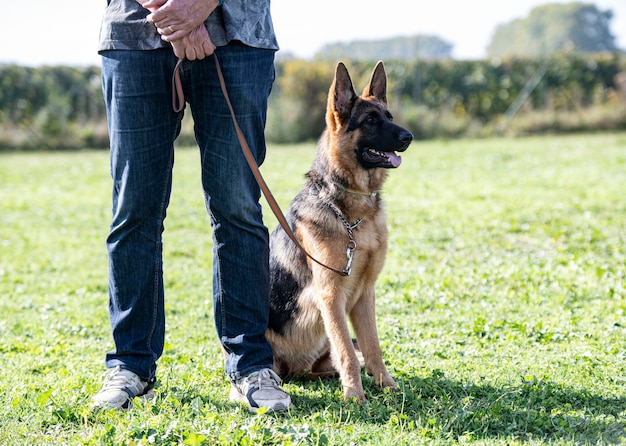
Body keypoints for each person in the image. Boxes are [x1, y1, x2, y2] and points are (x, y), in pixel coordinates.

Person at [91, 0, 291, 413]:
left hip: (239, 34)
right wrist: (180, 20)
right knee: (134, 210)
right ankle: (131, 365)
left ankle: (250, 365)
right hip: (134, 35)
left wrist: (200, 5)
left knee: (238, 208)